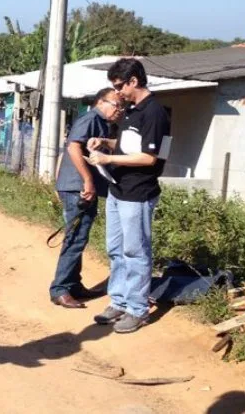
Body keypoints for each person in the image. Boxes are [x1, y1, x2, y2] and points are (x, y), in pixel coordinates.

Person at [88, 58, 172, 334]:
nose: (118, 92)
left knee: (135, 251)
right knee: (115, 249)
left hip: (138, 194)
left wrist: (107, 158)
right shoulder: (131, 111)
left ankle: (137, 308)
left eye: (120, 86)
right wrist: (106, 143)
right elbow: (127, 146)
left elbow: (150, 158)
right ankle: (119, 300)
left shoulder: (156, 114)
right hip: (117, 190)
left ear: (134, 81)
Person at [49, 88, 123, 309]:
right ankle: (60, 289)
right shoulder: (91, 119)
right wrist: (87, 181)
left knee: (80, 236)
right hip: (79, 189)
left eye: (122, 106)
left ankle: (74, 285)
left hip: (75, 186)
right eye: (116, 105)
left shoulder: (101, 124)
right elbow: (72, 148)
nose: (119, 110)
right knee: (76, 238)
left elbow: (68, 148)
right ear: (101, 102)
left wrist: (58, 180)